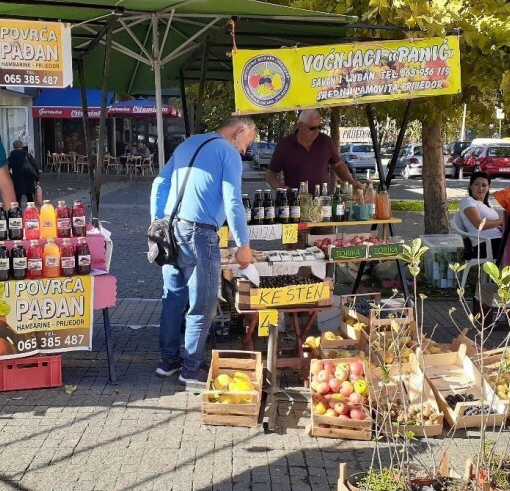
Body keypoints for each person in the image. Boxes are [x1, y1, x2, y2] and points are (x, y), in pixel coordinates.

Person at [150, 116, 256, 384]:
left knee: (173, 299)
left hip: (171, 231)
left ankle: (168, 362)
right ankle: (191, 368)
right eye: (247, 144)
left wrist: (157, 221)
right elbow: (233, 202)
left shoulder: (188, 144)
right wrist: (243, 245)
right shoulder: (228, 152)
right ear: (239, 131)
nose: (244, 151)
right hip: (200, 235)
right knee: (203, 304)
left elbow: (159, 184)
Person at [266, 109, 364, 192]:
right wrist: (281, 188)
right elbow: (271, 175)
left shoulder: (325, 141)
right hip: (295, 202)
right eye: (312, 128)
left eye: (319, 127)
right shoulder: (285, 145)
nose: (316, 132)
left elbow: (338, 165)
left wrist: (352, 182)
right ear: (300, 125)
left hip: (322, 200)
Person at [459, 171, 504, 260]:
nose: (480, 188)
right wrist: (503, 220)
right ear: (470, 186)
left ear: (488, 188)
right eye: (477, 184)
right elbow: (480, 225)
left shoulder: (488, 203)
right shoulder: (468, 201)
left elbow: (495, 223)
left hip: (498, 239)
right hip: (485, 244)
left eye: (484, 185)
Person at [7, 140, 41, 205]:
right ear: (22, 146)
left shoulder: (11, 157)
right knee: (29, 197)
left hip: (17, 180)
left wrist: (11, 177)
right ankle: (31, 211)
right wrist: (37, 178)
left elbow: (7, 169)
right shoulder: (27, 155)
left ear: (14, 147)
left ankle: (18, 212)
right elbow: (35, 167)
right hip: (28, 180)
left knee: (17, 198)